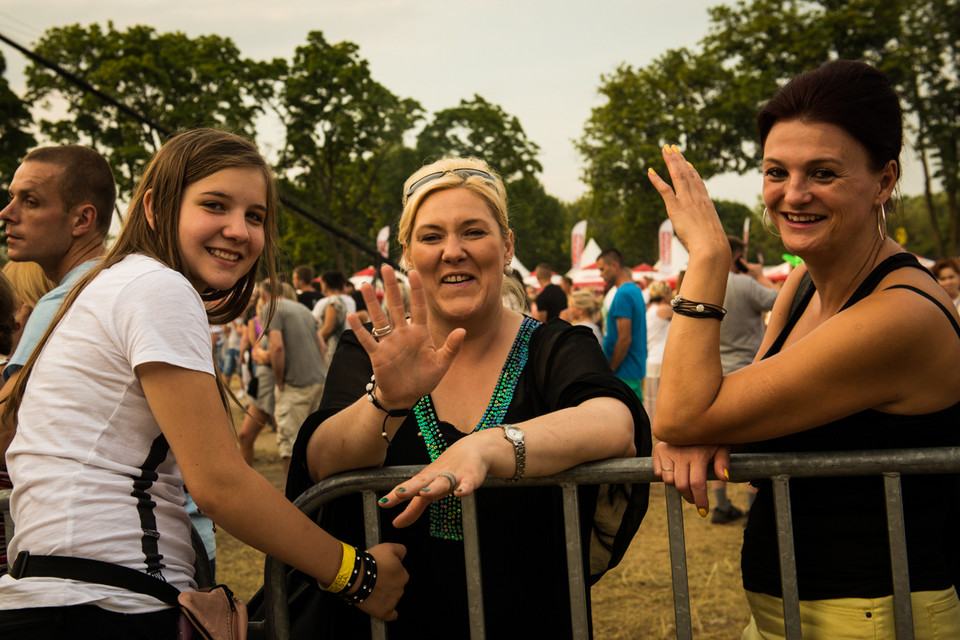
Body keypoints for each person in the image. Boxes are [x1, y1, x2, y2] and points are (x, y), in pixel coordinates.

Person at [0, 129, 406, 638]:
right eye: (215, 205)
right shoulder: (156, 286)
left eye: (255, 216)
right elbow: (219, 484)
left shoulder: (112, 283)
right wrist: (356, 574)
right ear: (154, 208)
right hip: (106, 603)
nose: (238, 230)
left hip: (62, 593)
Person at [648, 60, 960, 639]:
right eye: (776, 171)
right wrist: (706, 422)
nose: (793, 194)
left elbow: (686, 411)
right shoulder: (803, 282)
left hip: (875, 617)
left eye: (823, 172)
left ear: (885, 181)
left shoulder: (900, 314)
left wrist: (710, 257)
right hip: (784, 610)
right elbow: (718, 410)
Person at [287, 157, 650, 639]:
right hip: (390, 622)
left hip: (529, 617)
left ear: (506, 248)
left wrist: (488, 447)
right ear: (409, 255)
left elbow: (615, 420)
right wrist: (386, 402)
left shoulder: (554, 345)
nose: (452, 251)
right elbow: (318, 463)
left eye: (473, 232)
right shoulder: (374, 349)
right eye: (432, 236)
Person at [0, 145, 115, 464]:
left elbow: (6, 434)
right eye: (12, 197)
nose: (7, 213)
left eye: (30, 202)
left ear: (82, 220)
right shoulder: (117, 283)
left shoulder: (65, 302)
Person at [710, 235, 779, 525]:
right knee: (754, 443)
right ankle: (754, 509)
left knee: (717, 442)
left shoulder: (705, 285)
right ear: (738, 256)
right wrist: (760, 275)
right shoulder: (746, 284)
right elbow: (781, 299)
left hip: (715, 374)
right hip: (749, 373)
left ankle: (721, 506)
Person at [261, 277, 326, 478]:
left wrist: (280, 380)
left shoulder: (271, 308)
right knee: (313, 443)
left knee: (290, 447)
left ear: (265, 294)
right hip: (318, 381)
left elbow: (277, 347)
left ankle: (294, 500)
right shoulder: (303, 309)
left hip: (294, 385)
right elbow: (322, 347)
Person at [598, 248, 647, 401]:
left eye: (602, 268)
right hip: (632, 369)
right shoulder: (634, 290)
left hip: (623, 372)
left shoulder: (623, 294)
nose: (600, 274)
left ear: (614, 265)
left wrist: (610, 369)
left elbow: (624, 339)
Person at [642, 280, 673, 420]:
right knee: (664, 402)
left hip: (651, 360)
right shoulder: (665, 309)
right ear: (664, 293)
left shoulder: (650, 310)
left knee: (652, 401)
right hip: (663, 360)